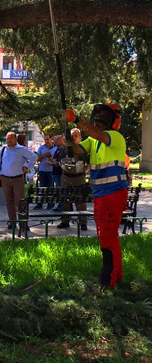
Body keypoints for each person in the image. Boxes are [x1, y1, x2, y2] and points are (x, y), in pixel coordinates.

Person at [67, 104, 130, 288]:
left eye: (104, 116)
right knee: (109, 236)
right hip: (102, 195)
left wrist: (77, 120)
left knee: (107, 237)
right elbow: (79, 150)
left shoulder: (115, 137)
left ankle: (107, 281)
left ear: (114, 121)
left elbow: (97, 134)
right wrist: (69, 142)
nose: (99, 119)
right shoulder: (93, 140)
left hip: (113, 194)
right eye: (99, 115)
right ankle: (116, 276)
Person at [0, 131, 36, 231]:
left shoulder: (21, 149)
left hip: (17, 179)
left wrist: (26, 167)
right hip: (5, 179)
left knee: (20, 202)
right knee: (9, 202)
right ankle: (12, 222)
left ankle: (23, 223)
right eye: (7, 138)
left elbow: (34, 157)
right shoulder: (3, 149)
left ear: (15, 139)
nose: (9, 140)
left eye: (11, 138)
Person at [54, 131, 88, 231]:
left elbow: (89, 162)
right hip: (66, 177)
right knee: (65, 199)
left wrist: (82, 169)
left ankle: (83, 222)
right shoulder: (65, 149)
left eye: (76, 136)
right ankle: (65, 221)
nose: (73, 138)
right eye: (72, 136)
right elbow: (59, 161)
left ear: (80, 137)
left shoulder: (83, 148)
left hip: (79, 177)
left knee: (80, 200)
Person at [33, 133, 58, 210]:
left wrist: (50, 157)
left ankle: (50, 204)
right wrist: (44, 155)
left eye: (48, 139)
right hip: (42, 170)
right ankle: (39, 204)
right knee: (42, 188)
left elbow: (56, 160)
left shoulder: (55, 148)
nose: (46, 141)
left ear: (51, 139)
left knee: (50, 188)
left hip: (51, 170)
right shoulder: (41, 148)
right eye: (45, 139)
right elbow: (37, 159)